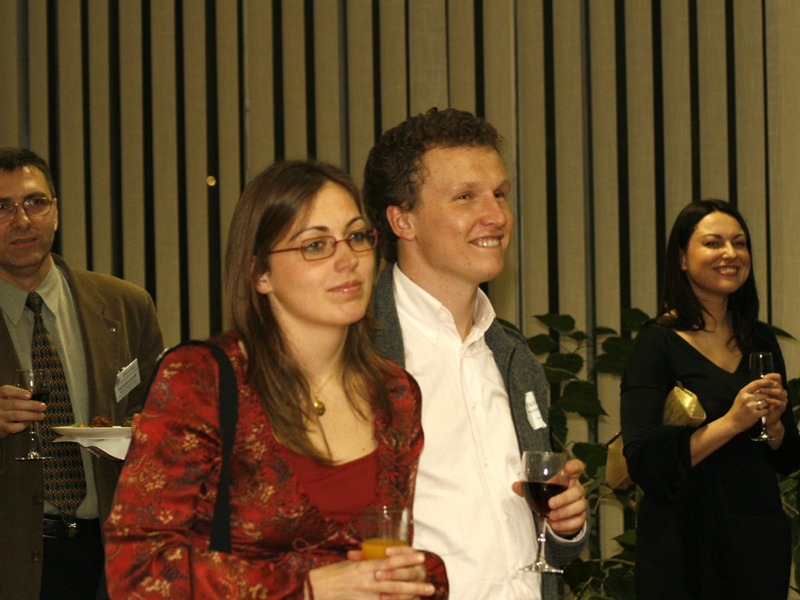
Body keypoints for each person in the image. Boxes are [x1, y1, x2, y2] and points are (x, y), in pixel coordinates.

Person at [104, 160, 448, 599]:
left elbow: (387, 553)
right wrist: (305, 589)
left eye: (358, 237)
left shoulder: (395, 393)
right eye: (316, 245)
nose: (349, 260)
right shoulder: (201, 380)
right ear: (260, 274)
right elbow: (136, 570)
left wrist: (418, 578)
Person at [362, 107, 588, 600]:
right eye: (466, 197)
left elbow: (535, 541)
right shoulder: (357, 352)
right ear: (402, 220)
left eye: (499, 194)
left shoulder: (513, 355)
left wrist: (564, 524)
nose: (498, 217)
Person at [0, 147, 164, 600]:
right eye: (2, 207)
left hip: (113, 557)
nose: (22, 220)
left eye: (35, 202)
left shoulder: (127, 306)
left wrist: (145, 429)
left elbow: (160, 417)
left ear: (56, 211)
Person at [621, 199, 800, 599]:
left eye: (739, 243)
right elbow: (644, 462)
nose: (730, 254)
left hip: (756, 538)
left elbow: (788, 457)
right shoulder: (656, 342)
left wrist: (773, 425)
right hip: (683, 542)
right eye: (714, 243)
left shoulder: (760, 339)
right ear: (682, 259)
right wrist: (732, 422)